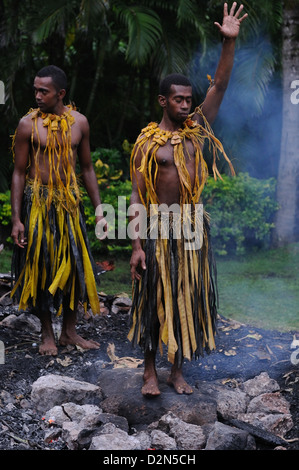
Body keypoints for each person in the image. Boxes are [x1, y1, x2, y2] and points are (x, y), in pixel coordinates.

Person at [128, 2, 248, 396]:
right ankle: (149, 372)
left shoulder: (196, 132)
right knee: (151, 300)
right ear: (163, 101)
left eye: (187, 99)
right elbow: (136, 196)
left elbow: (220, 86)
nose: (185, 104)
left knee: (186, 295)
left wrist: (227, 43)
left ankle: (177, 370)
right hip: (158, 230)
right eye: (178, 99)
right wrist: (136, 246)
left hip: (192, 229)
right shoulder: (147, 143)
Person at [10, 65, 106, 356]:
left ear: (61, 93)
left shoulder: (79, 123)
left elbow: (87, 168)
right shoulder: (28, 124)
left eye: (44, 91)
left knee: (76, 267)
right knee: (42, 268)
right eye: (35, 90)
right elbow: (18, 172)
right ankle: (48, 333)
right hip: (38, 204)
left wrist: (99, 209)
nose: (38, 96)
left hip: (69, 205)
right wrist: (17, 219)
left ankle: (70, 332)